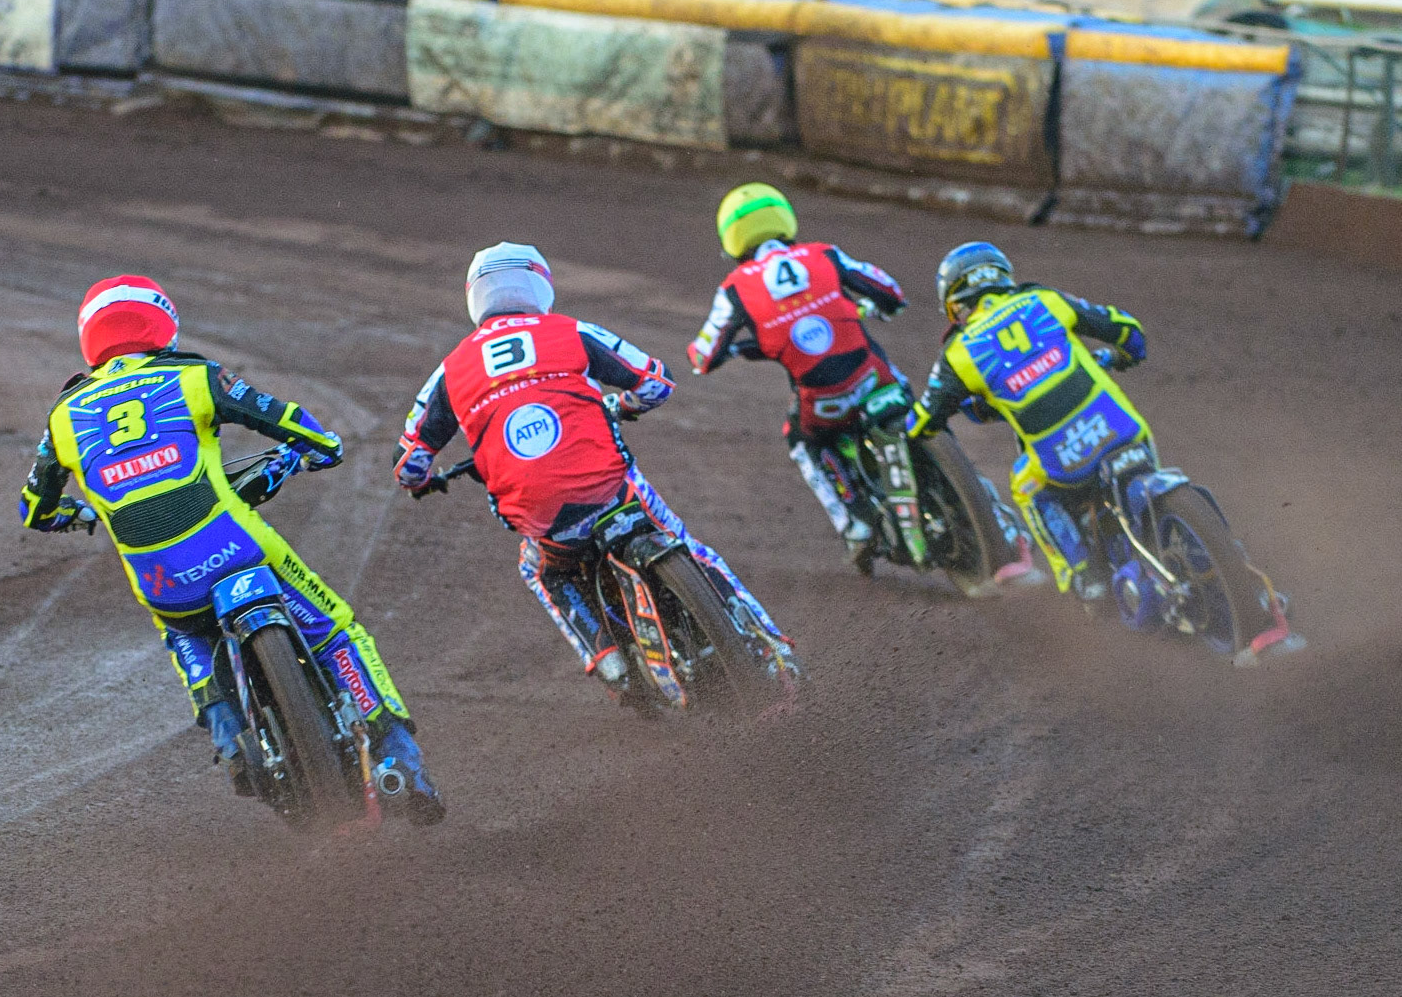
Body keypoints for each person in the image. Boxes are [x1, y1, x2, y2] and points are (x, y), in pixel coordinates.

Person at [20, 275, 443, 824]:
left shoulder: (62, 416)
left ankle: (229, 740)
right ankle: (402, 761)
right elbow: (287, 420)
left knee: (182, 635)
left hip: (161, 581)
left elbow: (35, 509)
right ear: (162, 324)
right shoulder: (193, 375)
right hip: (236, 548)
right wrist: (322, 448)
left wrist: (76, 516)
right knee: (339, 631)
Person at [393, 243, 791, 697]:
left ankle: (609, 663)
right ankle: (771, 645)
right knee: (687, 543)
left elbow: (408, 463)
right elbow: (657, 383)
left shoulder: (448, 371)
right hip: (609, 486)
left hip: (540, 516)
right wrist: (621, 405)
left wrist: (425, 481)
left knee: (541, 569)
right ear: (539, 284)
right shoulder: (572, 331)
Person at [905, 242, 1150, 599]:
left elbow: (926, 418)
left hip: (1062, 461)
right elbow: (1124, 328)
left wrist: (912, 427)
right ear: (1002, 276)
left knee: (1026, 485)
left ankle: (1080, 574)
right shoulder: (1043, 300)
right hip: (1123, 429)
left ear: (956, 303)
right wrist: (1128, 355)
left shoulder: (958, 353)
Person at [685, 182, 913, 566]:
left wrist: (728, 350)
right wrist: (876, 307)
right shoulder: (824, 253)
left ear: (732, 239)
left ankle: (852, 524)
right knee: (917, 404)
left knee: (801, 440)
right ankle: (973, 486)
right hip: (876, 378)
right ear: (784, 219)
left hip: (824, 403)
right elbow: (890, 291)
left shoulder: (735, 289)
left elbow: (704, 356)